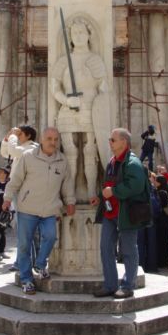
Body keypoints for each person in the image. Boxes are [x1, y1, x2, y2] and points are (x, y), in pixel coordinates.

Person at [2, 127, 75, 295]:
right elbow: (16, 180)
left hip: (50, 209)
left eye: (56, 139)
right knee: (24, 245)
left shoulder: (62, 160)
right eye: (49, 139)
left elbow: (67, 183)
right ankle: (27, 280)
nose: (53, 142)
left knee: (50, 236)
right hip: (27, 208)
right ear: (42, 140)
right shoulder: (28, 157)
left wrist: (70, 201)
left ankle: (40, 264)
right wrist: (7, 198)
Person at [51, 17, 110, 199]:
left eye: (81, 32)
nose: (78, 35)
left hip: (91, 109)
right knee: (69, 152)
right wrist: (67, 101)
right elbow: (55, 88)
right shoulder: (62, 61)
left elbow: (104, 89)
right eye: (74, 32)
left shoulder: (95, 60)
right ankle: (70, 193)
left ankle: (92, 190)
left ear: (88, 35)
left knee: (91, 151)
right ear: (70, 36)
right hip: (68, 110)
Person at [90, 127, 147, 299]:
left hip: (126, 214)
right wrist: (101, 197)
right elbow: (109, 183)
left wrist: (113, 192)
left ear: (124, 142)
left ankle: (128, 285)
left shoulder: (133, 163)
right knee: (106, 248)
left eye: (113, 140)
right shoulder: (112, 161)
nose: (110, 142)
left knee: (129, 249)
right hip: (109, 213)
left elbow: (135, 186)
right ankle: (110, 284)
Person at [0, 125, 39, 271]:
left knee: (26, 228)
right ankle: (22, 261)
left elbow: (13, 150)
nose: (17, 136)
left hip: (25, 190)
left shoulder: (32, 148)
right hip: (19, 190)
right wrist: (8, 137)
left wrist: (12, 137)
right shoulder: (22, 149)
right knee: (22, 228)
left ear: (28, 136)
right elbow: (5, 152)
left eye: (20, 134)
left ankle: (26, 261)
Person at [154, 174, 168, 268]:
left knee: (162, 241)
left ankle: (162, 261)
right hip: (166, 220)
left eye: (156, 181)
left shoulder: (161, 193)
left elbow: (160, 206)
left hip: (162, 220)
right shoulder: (166, 191)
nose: (154, 182)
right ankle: (166, 261)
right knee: (165, 240)